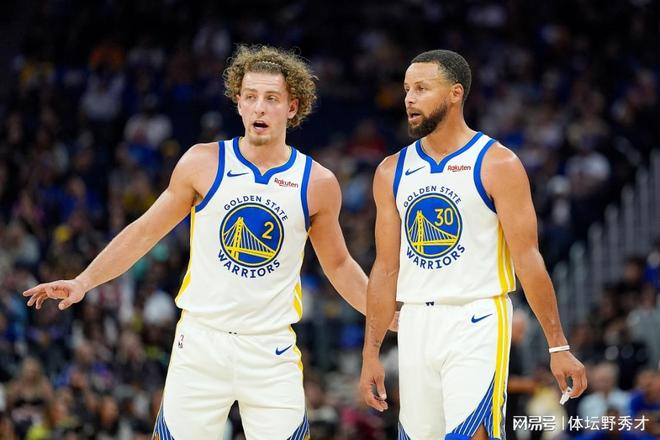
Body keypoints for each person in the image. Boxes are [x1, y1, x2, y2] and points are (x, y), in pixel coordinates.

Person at [24, 45, 372, 439]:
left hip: (270, 349)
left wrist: (384, 314)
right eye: (251, 96)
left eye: (271, 98)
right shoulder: (202, 163)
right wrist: (84, 281)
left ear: (292, 107)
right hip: (201, 343)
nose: (259, 108)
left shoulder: (317, 182)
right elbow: (145, 230)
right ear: (238, 102)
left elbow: (339, 264)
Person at [359, 49, 588, 440]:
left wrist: (557, 346)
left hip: (477, 317)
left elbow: (528, 258)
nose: (409, 98)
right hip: (415, 321)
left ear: (455, 93)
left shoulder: (497, 163)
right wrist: (370, 353)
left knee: (471, 433)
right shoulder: (390, 170)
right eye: (407, 89)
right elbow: (385, 268)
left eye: (421, 88)